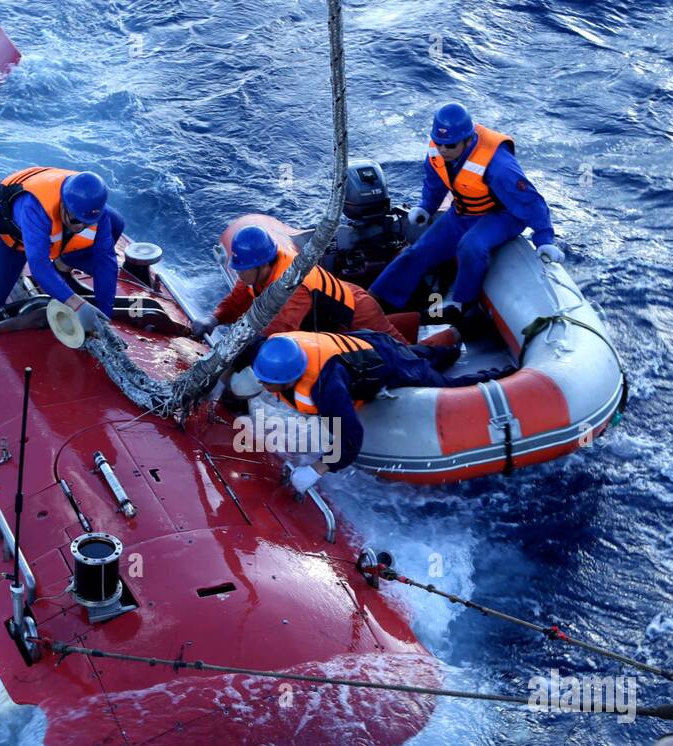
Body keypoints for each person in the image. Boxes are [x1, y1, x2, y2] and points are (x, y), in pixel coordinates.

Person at [368, 103, 563, 325]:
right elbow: (434, 182)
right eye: (439, 143)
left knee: (471, 245)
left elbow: (530, 201)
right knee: (419, 250)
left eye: (449, 145)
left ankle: (463, 304)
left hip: (501, 215)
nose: (443, 149)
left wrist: (545, 238)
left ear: (468, 140)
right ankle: (375, 298)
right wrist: (426, 207)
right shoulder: (438, 149)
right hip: (464, 211)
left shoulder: (499, 164)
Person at [250, 330, 504, 493]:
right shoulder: (275, 349)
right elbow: (251, 345)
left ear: (290, 378)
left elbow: (350, 437)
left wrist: (316, 469)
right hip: (368, 342)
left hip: (386, 362)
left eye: (267, 382)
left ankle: (502, 374)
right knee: (419, 356)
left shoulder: (326, 389)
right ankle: (453, 345)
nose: (261, 384)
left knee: (441, 385)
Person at [0, 167, 124, 316]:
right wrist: (78, 306)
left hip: (48, 230)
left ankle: (62, 267)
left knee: (116, 223)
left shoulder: (92, 211)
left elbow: (105, 262)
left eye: (89, 223)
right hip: (9, 228)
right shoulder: (35, 208)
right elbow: (39, 266)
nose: (81, 228)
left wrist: (104, 313)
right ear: (63, 205)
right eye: (76, 221)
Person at [203, 225, 418, 343]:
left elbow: (277, 334)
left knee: (402, 354)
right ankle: (418, 322)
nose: (238, 273)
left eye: (243, 269)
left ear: (263, 265)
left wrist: (239, 351)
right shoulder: (256, 271)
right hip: (334, 316)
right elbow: (237, 300)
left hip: (358, 316)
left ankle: (445, 339)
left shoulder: (291, 288)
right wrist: (214, 319)